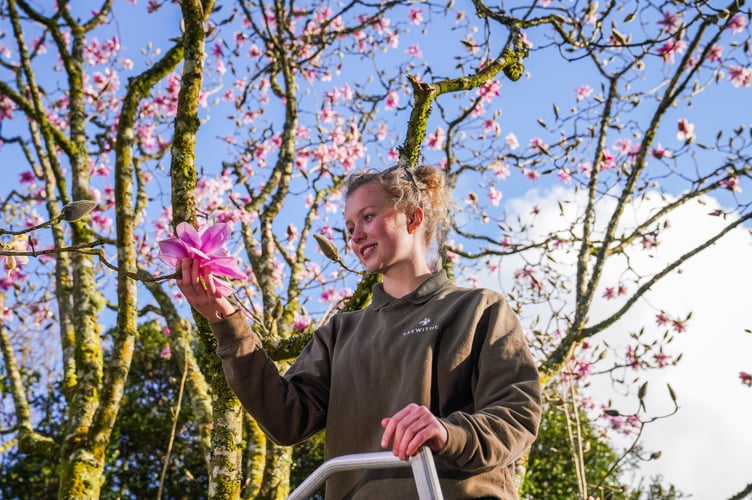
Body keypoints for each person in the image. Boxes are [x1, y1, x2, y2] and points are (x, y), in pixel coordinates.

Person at [176, 164, 541, 499]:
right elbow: (285, 420)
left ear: (413, 219)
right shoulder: (340, 333)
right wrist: (227, 323)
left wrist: (448, 433)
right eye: (350, 227)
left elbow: (517, 413)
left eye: (368, 217)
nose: (356, 235)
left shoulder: (477, 309)